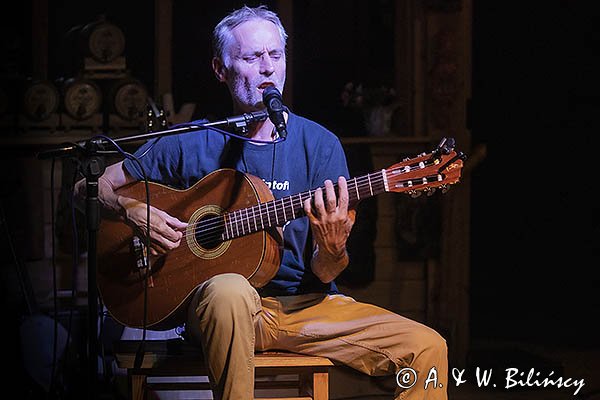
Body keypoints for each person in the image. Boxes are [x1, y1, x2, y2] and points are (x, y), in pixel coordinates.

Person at [75, 5, 448, 399]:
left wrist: (333, 246)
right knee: (230, 290)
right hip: (222, 312)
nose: (268, 68)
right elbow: (86, 186)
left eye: (276, 55)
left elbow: (326, 272)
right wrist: (131, 210)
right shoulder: (191, 142)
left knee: (426, 348)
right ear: (220, 69)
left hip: (306, 308)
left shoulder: (319, 145)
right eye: (252, 57)